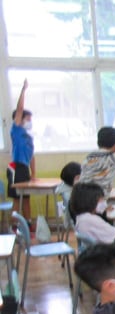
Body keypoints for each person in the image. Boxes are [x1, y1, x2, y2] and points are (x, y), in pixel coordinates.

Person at [7, 78, 35, 222]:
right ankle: (14, 229)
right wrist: (23, 90)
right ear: (20, 119)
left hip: (24, 169)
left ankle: (29, 225)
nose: (30, 122)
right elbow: (19, 109)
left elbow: (32, 157)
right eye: (28, 119)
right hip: (15, 167)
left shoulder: (29, 137)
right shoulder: (16, 130)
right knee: (17, 200)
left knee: (26, 199)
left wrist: (33, 174)